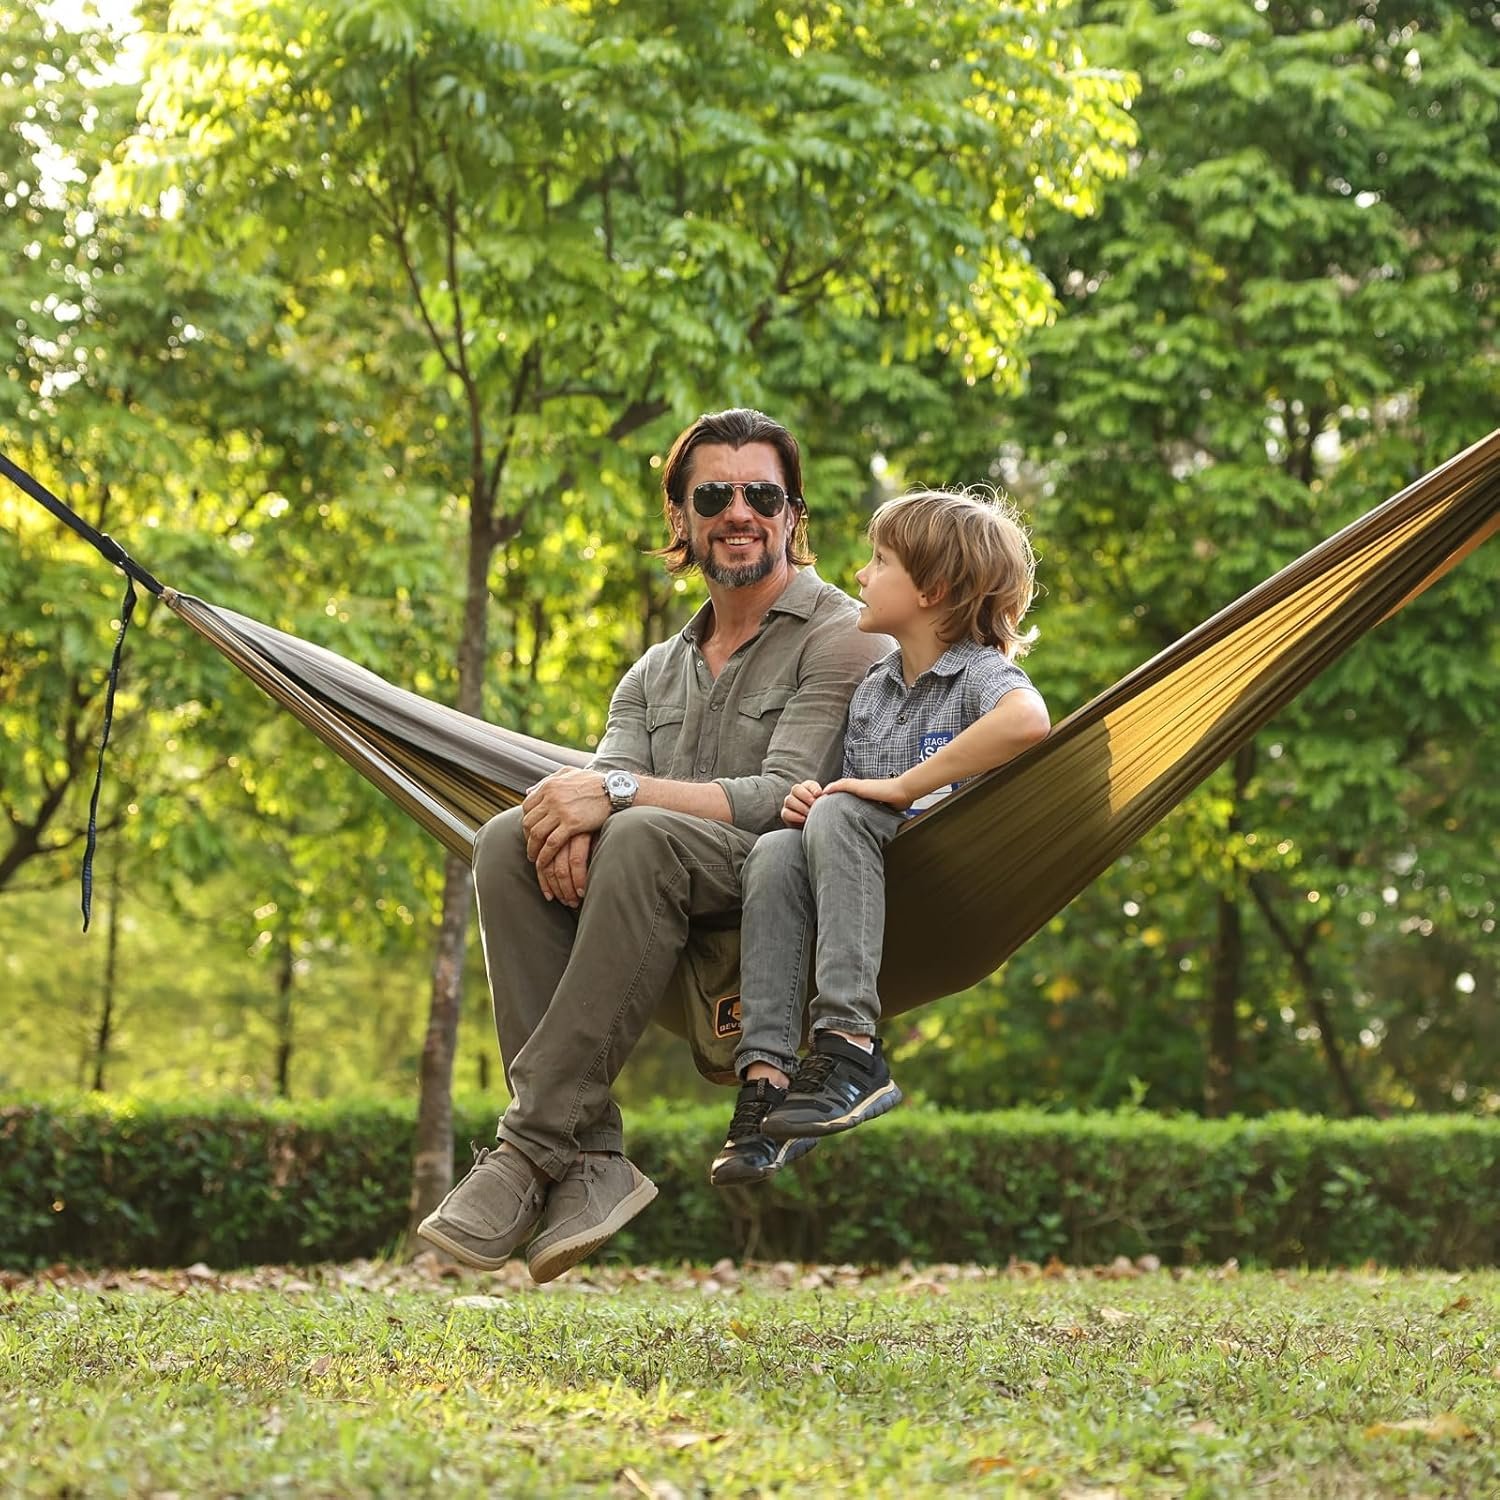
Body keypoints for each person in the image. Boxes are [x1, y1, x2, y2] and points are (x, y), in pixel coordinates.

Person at [417, 408, 891, 1281]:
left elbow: (776, 802)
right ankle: (592, 1158)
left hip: (783, 886)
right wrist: (574, 815)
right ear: (679, 518)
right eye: (714, 493)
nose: (738, 511)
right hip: (655, 897)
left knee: (635, 834)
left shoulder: (845, 636)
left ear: (792, 516)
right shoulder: (651, 672)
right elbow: (587, 811)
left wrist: (614, 794)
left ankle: (529, 1149)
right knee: (502, 842)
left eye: (763, 494)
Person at [710, 487, 1051, 1186]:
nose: (860, 574)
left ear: (934, 589)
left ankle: (851, 1046)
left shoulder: (979, 674)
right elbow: (846, 801)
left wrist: (898, 789)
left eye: (879, 560)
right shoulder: (875, 688)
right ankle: (769, 1075)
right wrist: (814, 799)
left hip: (940, 885)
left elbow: (1028, 724)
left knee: (839, 814)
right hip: (860, 893)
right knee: (776, 845)